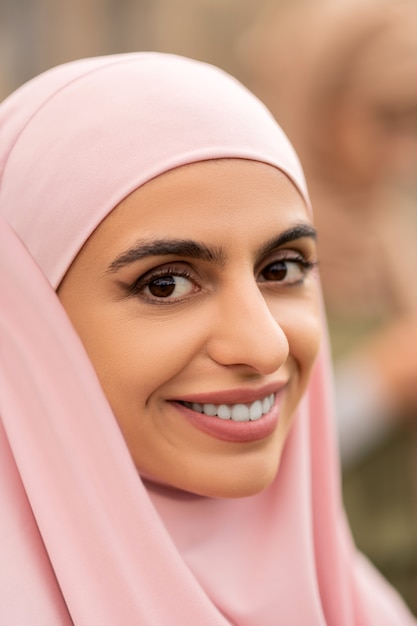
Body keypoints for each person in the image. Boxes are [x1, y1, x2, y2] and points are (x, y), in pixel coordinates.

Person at [0, 52, 415, 624]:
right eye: (165, 284)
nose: (265, 347)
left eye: (281, 270)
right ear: (23, 323)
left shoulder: (354, 604)